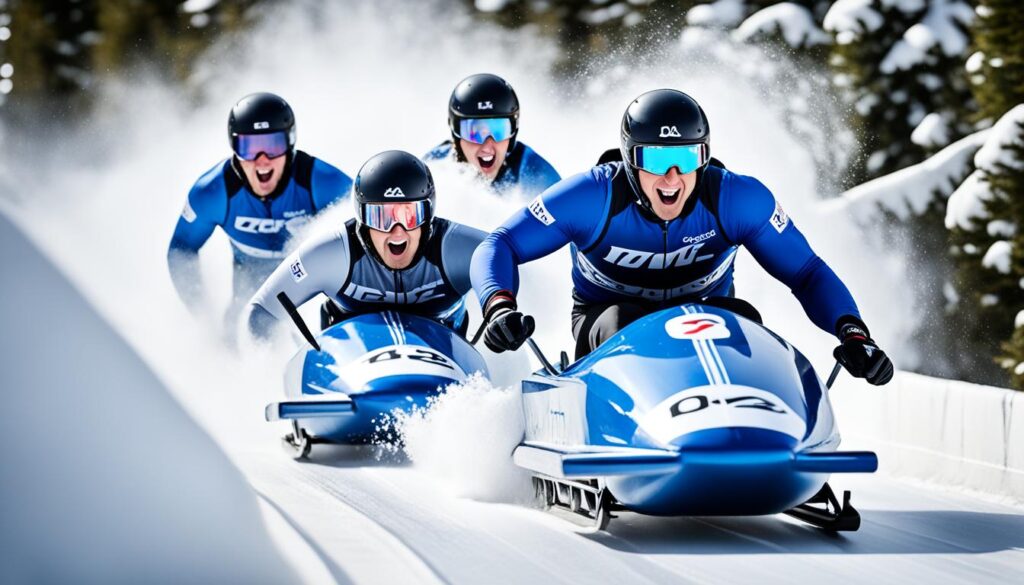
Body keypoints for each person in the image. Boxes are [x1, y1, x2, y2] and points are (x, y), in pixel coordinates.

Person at [470, 89, 893, 385]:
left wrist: (853, 333)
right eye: (656, 159)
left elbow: (806, 272)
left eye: (686, 158)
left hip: (708, 321)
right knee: (624, 320)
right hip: (610, 322)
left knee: (744, 318)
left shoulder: (737, 199)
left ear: (704, 157)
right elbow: (500, 243)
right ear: (630, 160)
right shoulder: (591, 197)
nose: (672, 177)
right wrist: (498, 306)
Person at [245, 150, 487, 339]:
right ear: (362, 219)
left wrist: (502, 312)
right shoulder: (330, 254)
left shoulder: (457, 248)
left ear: (429, 216)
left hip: (448, 364)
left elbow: (512, 267)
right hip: (350, 373)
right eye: (381, 217)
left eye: (409, 216)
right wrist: (272, 368)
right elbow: (262, 312)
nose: (397, 231)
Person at [168, 92, 353, 321]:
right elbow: (182, 248)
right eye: (249, 147)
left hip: (312, 310)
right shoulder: (213, 192)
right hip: (245, 311)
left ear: (290, 143)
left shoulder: (323, 182)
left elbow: (368, 234)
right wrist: (204, 316)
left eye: (273, 145)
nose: (262, 159)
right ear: (234, 147)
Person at [423, 73, 561, 197]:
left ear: (512, 133)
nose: (487, 146)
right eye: (474, 133)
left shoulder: (538, 178)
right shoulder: (433, 170)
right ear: (456, 133)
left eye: (498, 131)